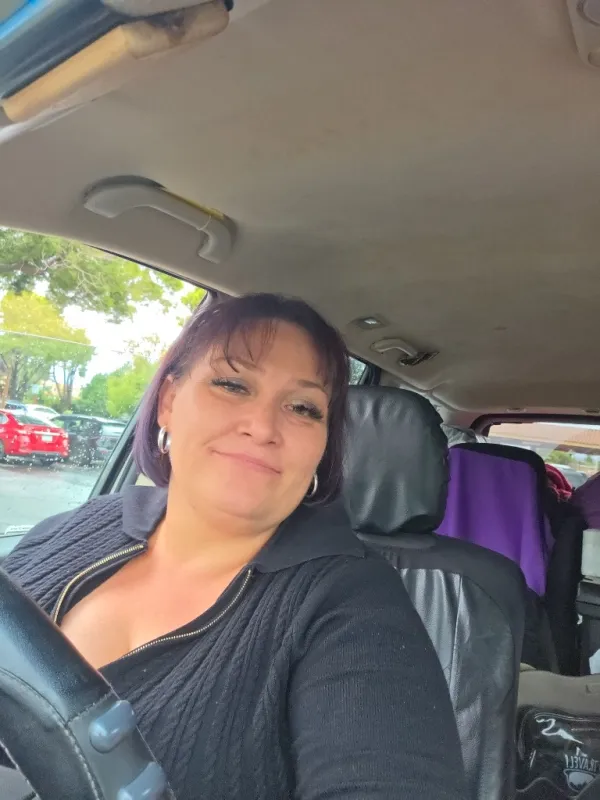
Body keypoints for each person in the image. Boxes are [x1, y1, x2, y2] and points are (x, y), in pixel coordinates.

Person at [2, 293, 466, 799]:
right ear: (169, 402)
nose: (263, 427)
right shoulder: (80, 526)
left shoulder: (353, 605)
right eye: (232, 384)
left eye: (303, 408)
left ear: (322, 447)